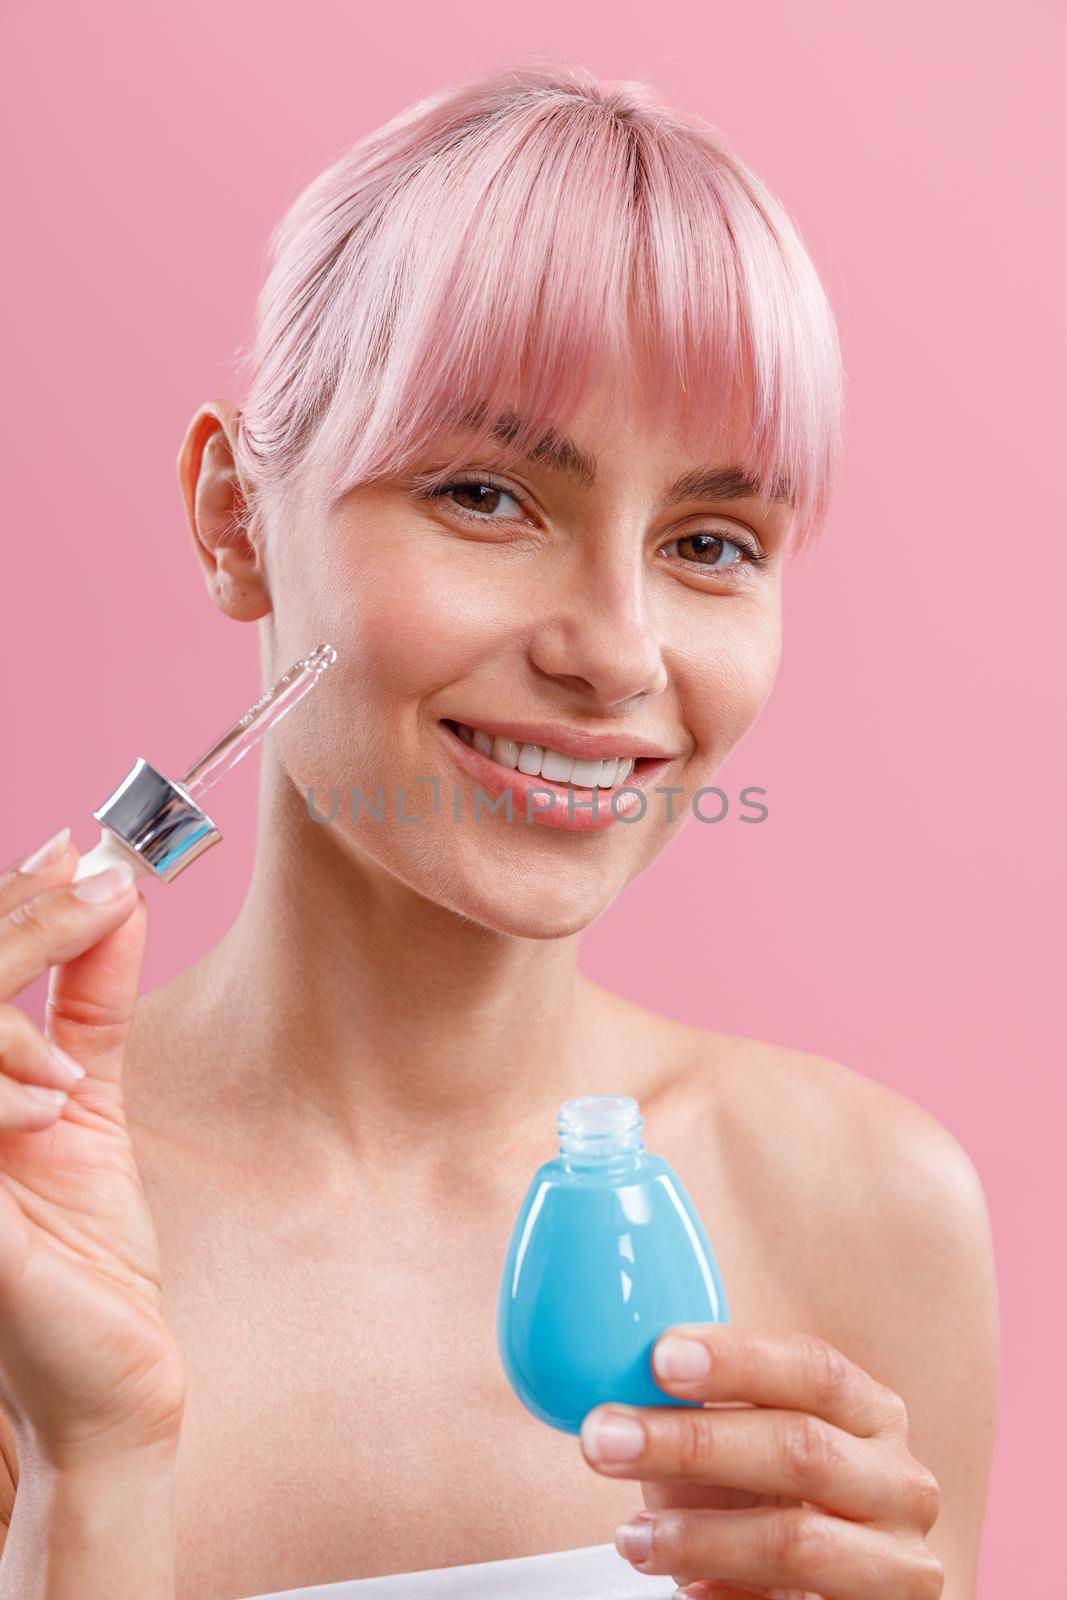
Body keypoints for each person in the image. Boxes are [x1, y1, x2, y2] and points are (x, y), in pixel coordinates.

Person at [0, 60, 997, 1600]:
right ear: (233, 515)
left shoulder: (873, 1213)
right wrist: (95, 1475)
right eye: (485, 494)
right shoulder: (29, 1230)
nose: (614, 649)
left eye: (711, 541)